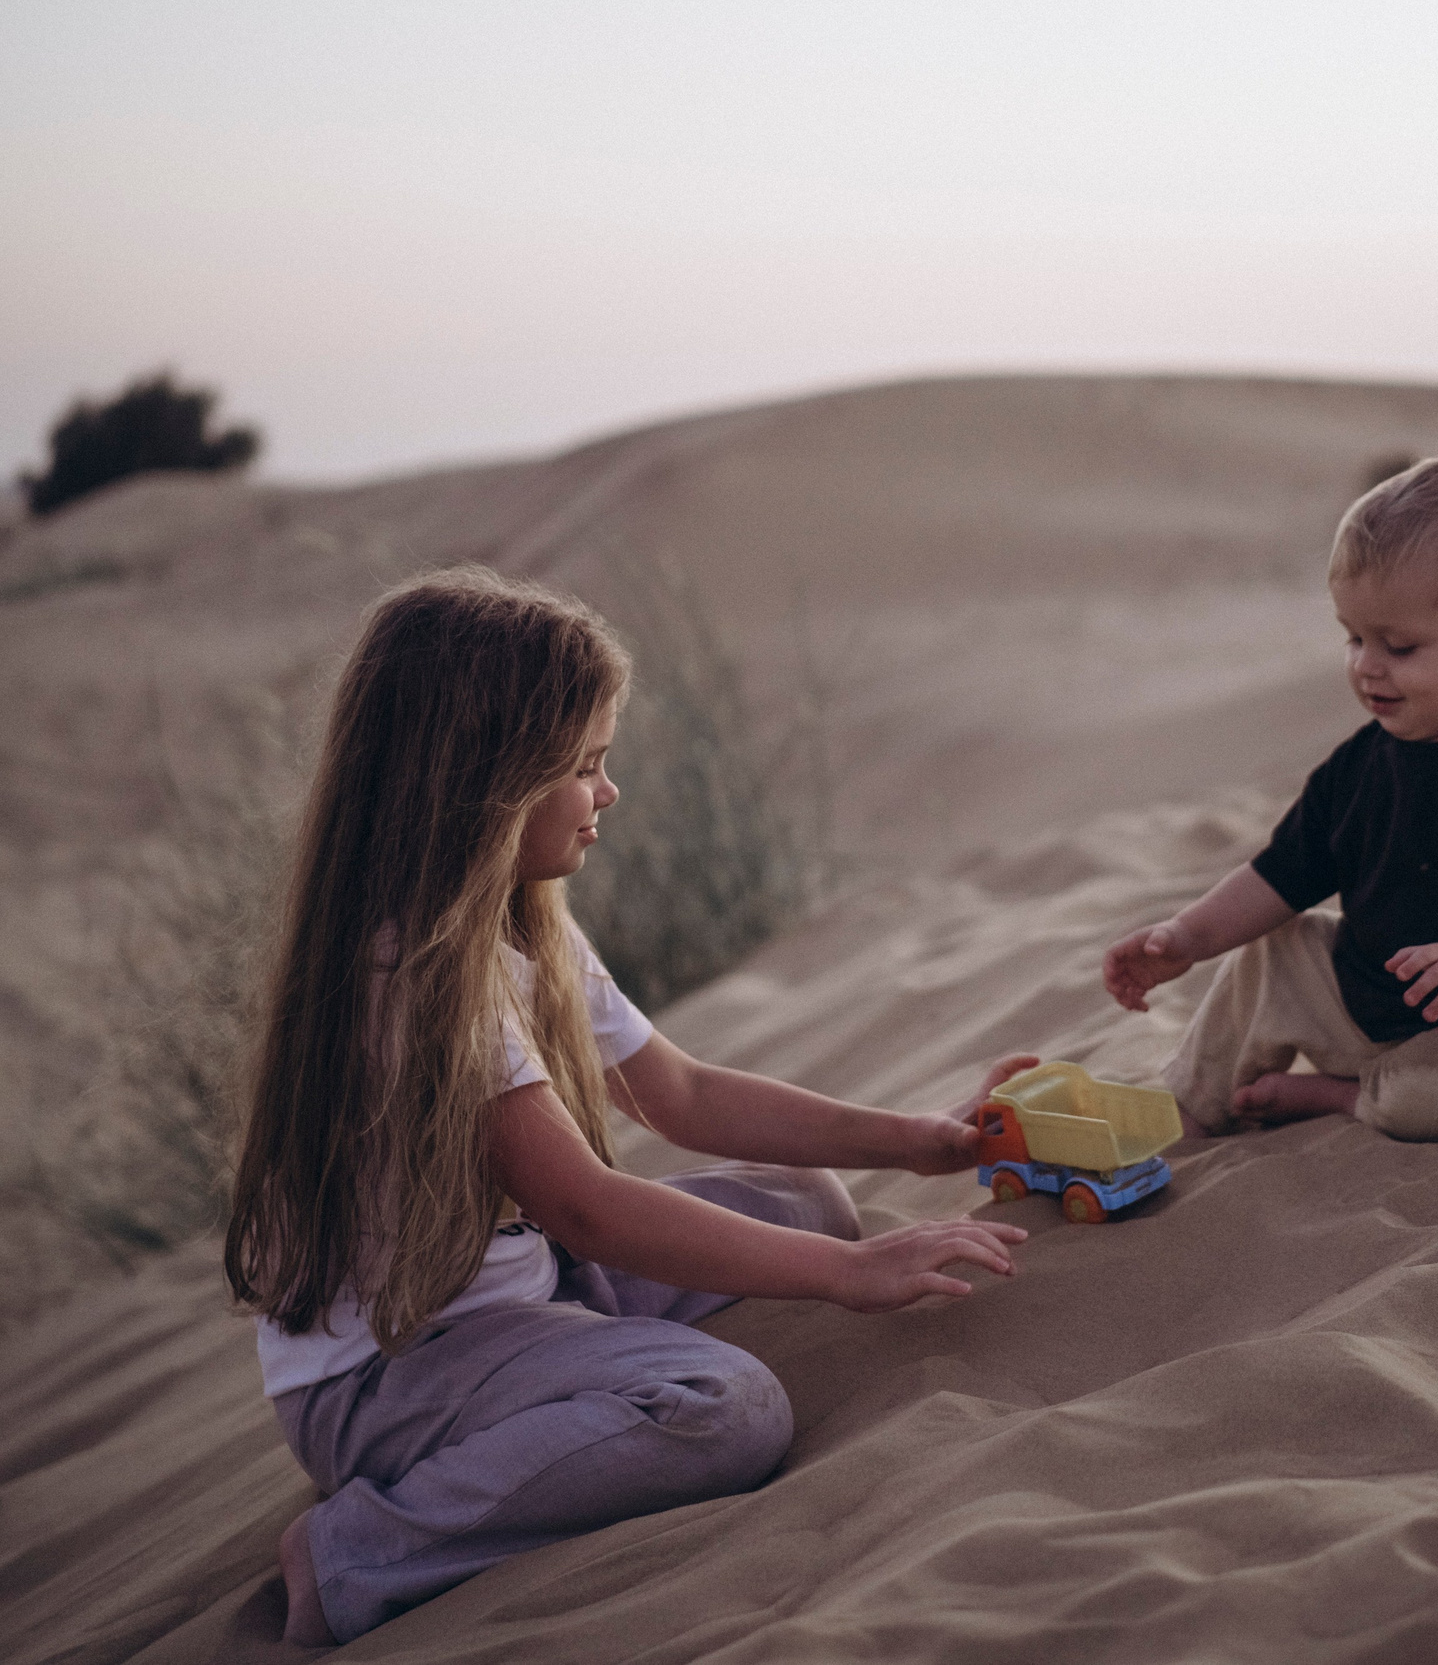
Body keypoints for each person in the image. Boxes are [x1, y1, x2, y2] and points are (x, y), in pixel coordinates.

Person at [225, 567, 1029, 1646]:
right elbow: (588, 1208)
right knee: (723, 1409)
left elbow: (683, 1094)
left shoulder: (519, 922)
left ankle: (569, 1374)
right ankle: (354, 1549)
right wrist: (846, 1282)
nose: (609, 794)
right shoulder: (410, 979)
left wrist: (920, 1141)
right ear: (486, 784)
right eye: (586, 767)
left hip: (524, 1286)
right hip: (394, 1371)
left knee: (805, 1201)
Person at [1102, 454, 1438, 1141]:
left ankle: (1342, 1097)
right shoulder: (1360, 764)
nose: (1365, 664)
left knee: (1437, 1100)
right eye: (1354, 637)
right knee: (1276, 946)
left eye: (1401, 646)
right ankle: (1195, 1104)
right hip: (1374, 1007)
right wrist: (1186, 937)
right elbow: (1277, 876)